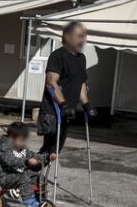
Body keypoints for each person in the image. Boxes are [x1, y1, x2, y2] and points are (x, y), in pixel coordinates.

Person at [38, 21, 98, 155]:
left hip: (68, 112)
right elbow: (51, 82)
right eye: (79, 36)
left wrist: (87, 105)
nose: (83, 40)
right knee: (49, 150)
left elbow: (80, 83)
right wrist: (63, 104)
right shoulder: (57, 56)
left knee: (55, 151)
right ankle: (30, 170)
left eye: (84, 37)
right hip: (52, 112)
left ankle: (35, 173)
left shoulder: (81, 58)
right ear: (68, 36)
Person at [0, 122, 48, 207]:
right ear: (12, 138)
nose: (24, 143)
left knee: (37, 177)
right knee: (24, 178)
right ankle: (31, 204)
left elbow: (32, 155)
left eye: (25, 140)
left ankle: (40, 200)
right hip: (5, 176)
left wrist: (46, 157)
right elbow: (11, 160)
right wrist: (27, 162)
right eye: (22, 140)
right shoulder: (4, 148)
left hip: (17, 174)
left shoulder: (21, 147)